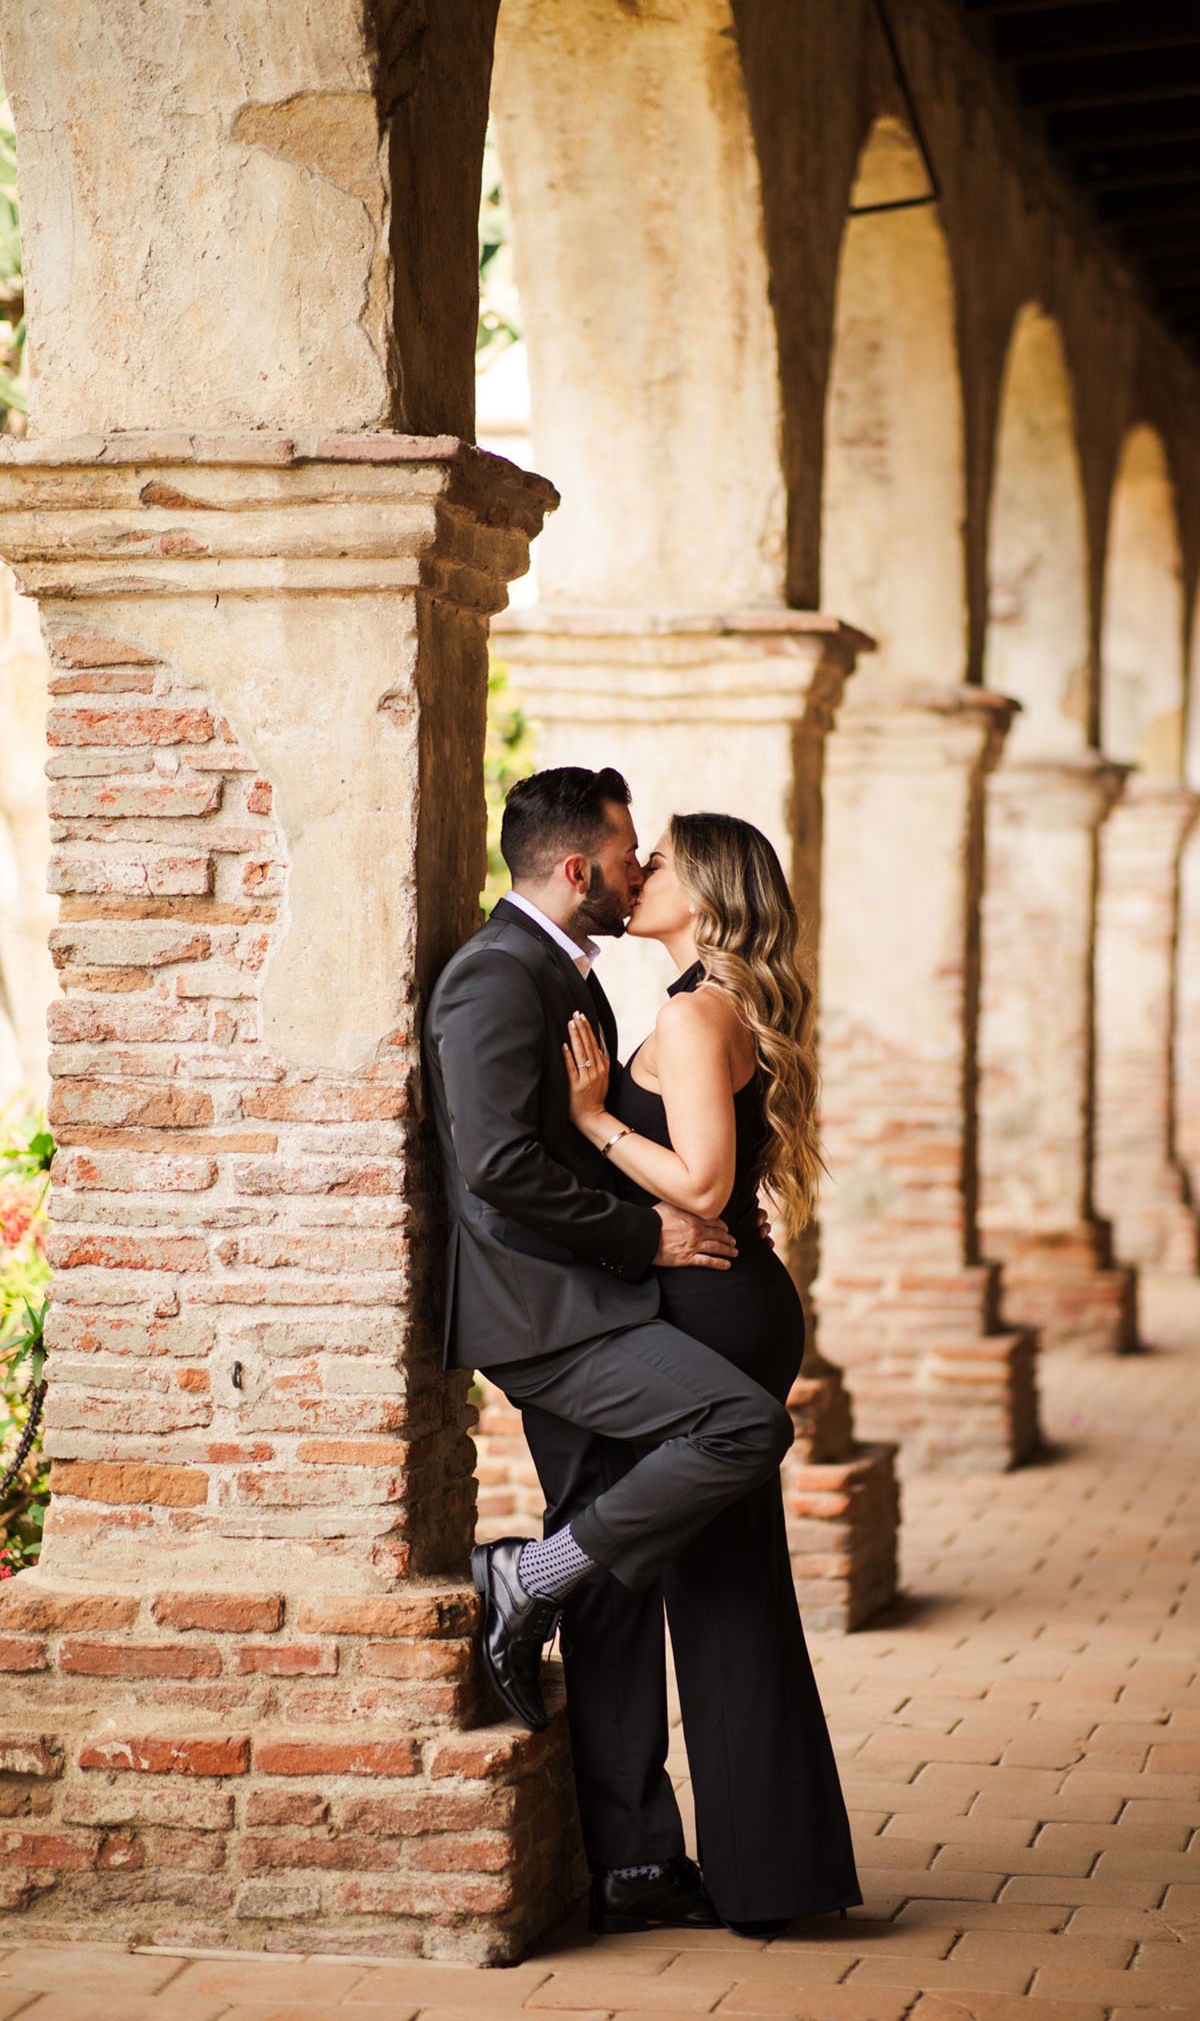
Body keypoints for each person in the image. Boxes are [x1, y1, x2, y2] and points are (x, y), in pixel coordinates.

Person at [424, 766, 794, 1937]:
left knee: (617, 1573)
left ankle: (635, 1861)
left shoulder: (570, 973)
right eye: (633, 851)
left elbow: (590, 1145)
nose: (640, 870)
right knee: (708, 1460)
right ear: (578, 867)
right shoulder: (494, 978)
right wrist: (648, 1234)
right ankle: (518, 1582)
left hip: (609, 1302)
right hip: (553, 1316)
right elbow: (496, 1166)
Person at [558, 810, 859, 1933]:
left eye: (662, 860)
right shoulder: (704, 1002)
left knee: (723, 1593)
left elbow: (698, 1180)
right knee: (731, 1590)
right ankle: (776, 1873)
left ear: (711, 887)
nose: (637, 872)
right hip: (725, 1306)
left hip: (713, 1309)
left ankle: (770, 1873)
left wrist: (591, 1119)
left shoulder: (692, 1013)